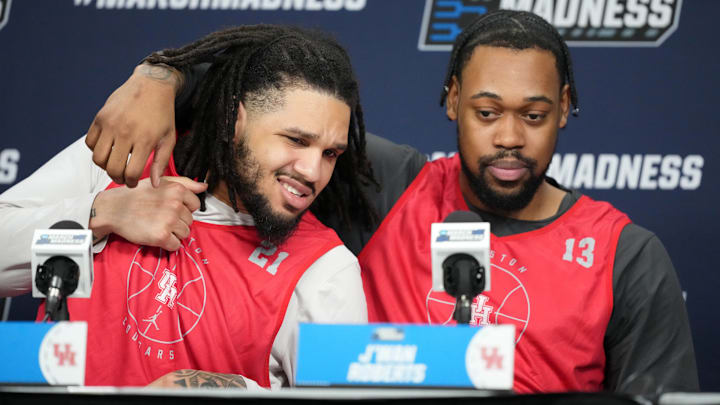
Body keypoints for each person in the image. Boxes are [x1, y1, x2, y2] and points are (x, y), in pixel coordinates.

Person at [9, 11, 700, 395]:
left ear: (568, 110)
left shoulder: (626, 252)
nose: (510, 138)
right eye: (488, 111)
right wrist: (159, 75)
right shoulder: (396, 185)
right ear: (452, 100)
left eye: (536, 113)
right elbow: (272, 83)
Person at [0, 25, 376, 389]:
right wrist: (103, 213)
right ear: (234, 119)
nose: (313, 172)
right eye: (295, 140)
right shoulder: (128, 159)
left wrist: (227, 390)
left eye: (330, 153)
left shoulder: (325, 269)